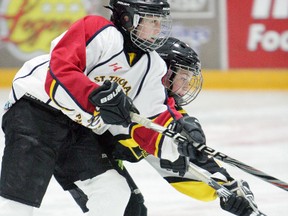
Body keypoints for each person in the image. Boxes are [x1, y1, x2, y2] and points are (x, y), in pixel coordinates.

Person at [0, 1, 208, 216]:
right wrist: (95, 96)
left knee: (112, 191)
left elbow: (153, 120)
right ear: (128, 18)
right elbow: (59, 73)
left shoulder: (152, 65)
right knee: (19, 200)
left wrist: (179, 141)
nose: (158, 29)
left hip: (77, 126)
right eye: (152, 21)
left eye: (160, 22)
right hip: (35, 110)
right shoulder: (97, 30)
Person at [67, 37, 260, 216]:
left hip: (99, 150)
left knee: (133, 210)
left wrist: (225, 188)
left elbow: (189, 158)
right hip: (73, 144)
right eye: (183, 78)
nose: (186, 87)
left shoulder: (166, 112)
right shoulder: (136, 99)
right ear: (164, 74)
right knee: (122, 205)